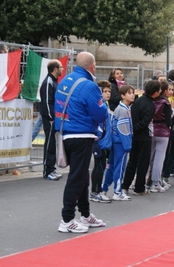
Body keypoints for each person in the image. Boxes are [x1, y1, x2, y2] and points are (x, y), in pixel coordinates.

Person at [54, 52, 108, 233]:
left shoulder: (65, 80)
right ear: (92, 66)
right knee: (77, 178)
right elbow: (101, 114)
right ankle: (67, 219)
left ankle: (85, 215)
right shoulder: (90, 86)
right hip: (82, 135)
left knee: (82, 176)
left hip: (66, 133)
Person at [122, 80, 159, 195]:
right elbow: (145, 122)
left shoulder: (137, 101)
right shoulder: (150, 105)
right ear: (156, 92)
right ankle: (139, 187)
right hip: (144, 136)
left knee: (132, 161)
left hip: (134, 135)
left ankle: (125, 186)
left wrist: (132, 129)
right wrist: (136, 128)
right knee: (143, 163)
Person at [103, 85, 135, 201]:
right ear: (122, 96)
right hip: (120, 143)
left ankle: (104, 188)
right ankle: (117, 191)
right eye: (129, 93)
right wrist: (127, 145)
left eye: (133, 92)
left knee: (112, 166)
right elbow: (123, 129)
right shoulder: (123, 109)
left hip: (116, 141)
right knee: (119, 167)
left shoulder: (123, 108)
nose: (132, 95)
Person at [39, 60, 63, 180]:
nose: (62, 69)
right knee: (49, 143)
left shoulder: (54, 82)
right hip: (50, 119)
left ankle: (51, 169)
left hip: (55, 118)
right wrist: (51, 118)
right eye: (61, 67)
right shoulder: (49, 82)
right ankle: (47, 170)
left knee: (53, 143)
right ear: (55, 69)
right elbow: (47, 101)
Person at [89, 80, 113, 203]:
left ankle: (96, 191)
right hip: (100, 142)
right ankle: (95, 192)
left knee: (102, 166)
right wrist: (98, 139)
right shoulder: (99, 105)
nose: (108, 93)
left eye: (109, 91)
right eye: (105, 91)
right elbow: (98, 125)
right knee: (99, 166)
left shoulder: (105, 105)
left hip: (105, 142)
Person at [148, 81, 173, 192]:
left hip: (152, 129)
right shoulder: (165, 103)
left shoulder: (151, 101)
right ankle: (156, 183)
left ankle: (146, 181)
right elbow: (169, 120)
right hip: (163, 132)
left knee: (149, 158)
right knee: (159, 158)